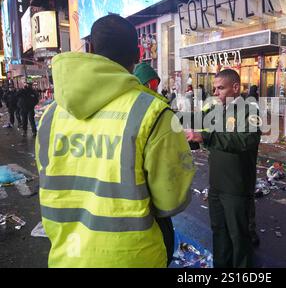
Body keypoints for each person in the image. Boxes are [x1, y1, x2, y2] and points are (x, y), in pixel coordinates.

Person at [35, 14, 195, 268]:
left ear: (90, 49)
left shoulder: (51, 115)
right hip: (134, 258)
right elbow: (171, 200)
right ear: (138, 53)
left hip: (68, 257)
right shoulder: (152, 113)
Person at [185, 69, 261, 268]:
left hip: (237, 187)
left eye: (221, 88)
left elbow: (245, 140)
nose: (216, 93)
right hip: (216, 185)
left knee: (239, 238)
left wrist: (206, 136)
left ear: (235, 87)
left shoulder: (250, 110)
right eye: (214, 88)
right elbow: (195, 120)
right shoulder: (216, 109)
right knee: (219, 232)